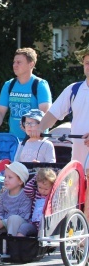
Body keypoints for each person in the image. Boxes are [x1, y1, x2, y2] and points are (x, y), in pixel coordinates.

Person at [37, 45, 89, 220]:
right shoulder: (74, 90)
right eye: (87, 63)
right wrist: (39, 129)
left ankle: (84, 237)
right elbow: (53, 113)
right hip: (78, 155)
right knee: (75, 194)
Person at [0, 47, 52, 140]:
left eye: (19, 62)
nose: (15, 65)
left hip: (36, 140)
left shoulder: (40, 85)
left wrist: (34, 128)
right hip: (14, 141)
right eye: (14, 62)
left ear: (31, 64)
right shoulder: (9, 85)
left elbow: (45, 113)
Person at [0, 161, 32, 236]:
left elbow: (24, 216)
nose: (6, 180)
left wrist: (4, 222)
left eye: (10, 177)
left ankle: (12, 243)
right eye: (5, 177)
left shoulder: (26, 195)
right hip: (4, 223)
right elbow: (0, 211)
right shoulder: (3, 195)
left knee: (14, 219)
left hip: (19, 226)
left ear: (20, 181)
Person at [17, 167, 56, 236]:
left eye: (46, 189)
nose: (42, 190)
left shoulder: (52, 195)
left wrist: (58, 182)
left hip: (47, 225)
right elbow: (27, 189)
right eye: (40, 187)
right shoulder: (36, 193)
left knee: (42, 232)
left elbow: (63, 190)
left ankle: (39, 245)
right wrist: (36, 177)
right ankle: (19, 244)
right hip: (34, 223)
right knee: (23, 228)